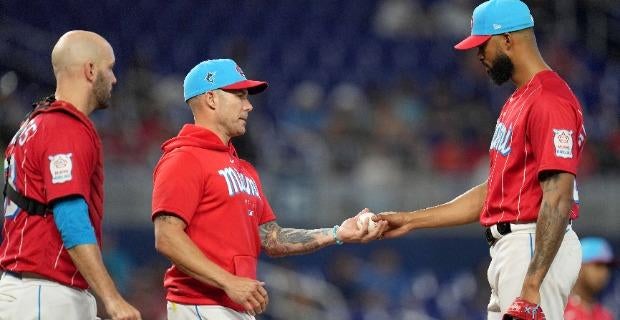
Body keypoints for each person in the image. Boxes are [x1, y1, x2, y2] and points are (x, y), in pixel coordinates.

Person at [373, 0, 586, 319]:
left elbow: (558, 195)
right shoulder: (521, 99)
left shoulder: (548, 100)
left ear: (508, 40)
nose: (479, 55)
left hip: (531, 246)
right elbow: (496, 192)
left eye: (482, 45)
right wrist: (410, 219)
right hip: (514, 248)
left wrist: (531, 285)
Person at [151, 58, 388, 320]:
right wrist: (228, 281)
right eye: (239, 95)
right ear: (211, 99)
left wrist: (337, 232)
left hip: (234, 307)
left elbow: (271, 238)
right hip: (199, 305)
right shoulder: (184, 158)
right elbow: (167, 236)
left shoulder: (244, 169)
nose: (249, 105)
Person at [0, 31, 141, 320]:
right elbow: (70, 216)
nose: (114, 78)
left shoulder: (36, 122)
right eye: (109, 67)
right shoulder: (64, 127)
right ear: (90, 70)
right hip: (44, 294)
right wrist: (112, 298)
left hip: (38, 289)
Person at [564, 237, 616, 320]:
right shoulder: (558, 310)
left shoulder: (606, 315)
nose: (604, 272)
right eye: (598, 265)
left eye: (608, 266)